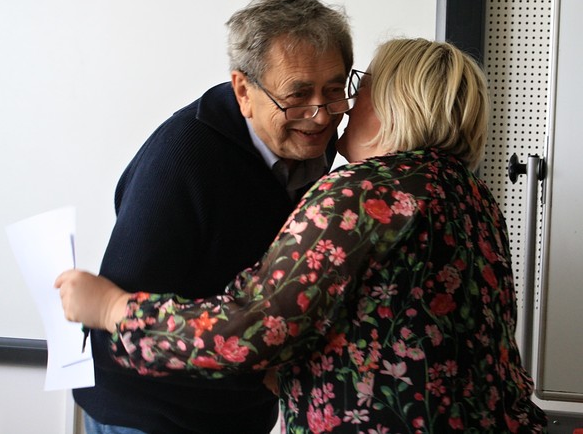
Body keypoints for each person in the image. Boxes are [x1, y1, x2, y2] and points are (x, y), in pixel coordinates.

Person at [57, 38, 548, 433]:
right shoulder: (471, 196)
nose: (343, 107)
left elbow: (252, 328)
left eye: (357, 89)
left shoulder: (363, 193)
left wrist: (112, 310)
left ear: (393, 106)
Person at [71, 0, 354, 434]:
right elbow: (116, 325)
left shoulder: (311, 141)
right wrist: (260, 370)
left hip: (241, 412)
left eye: (334, 91)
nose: (320, 116)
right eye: (298, 95)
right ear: (243, 91)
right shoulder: (183, 158)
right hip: (150, 416)